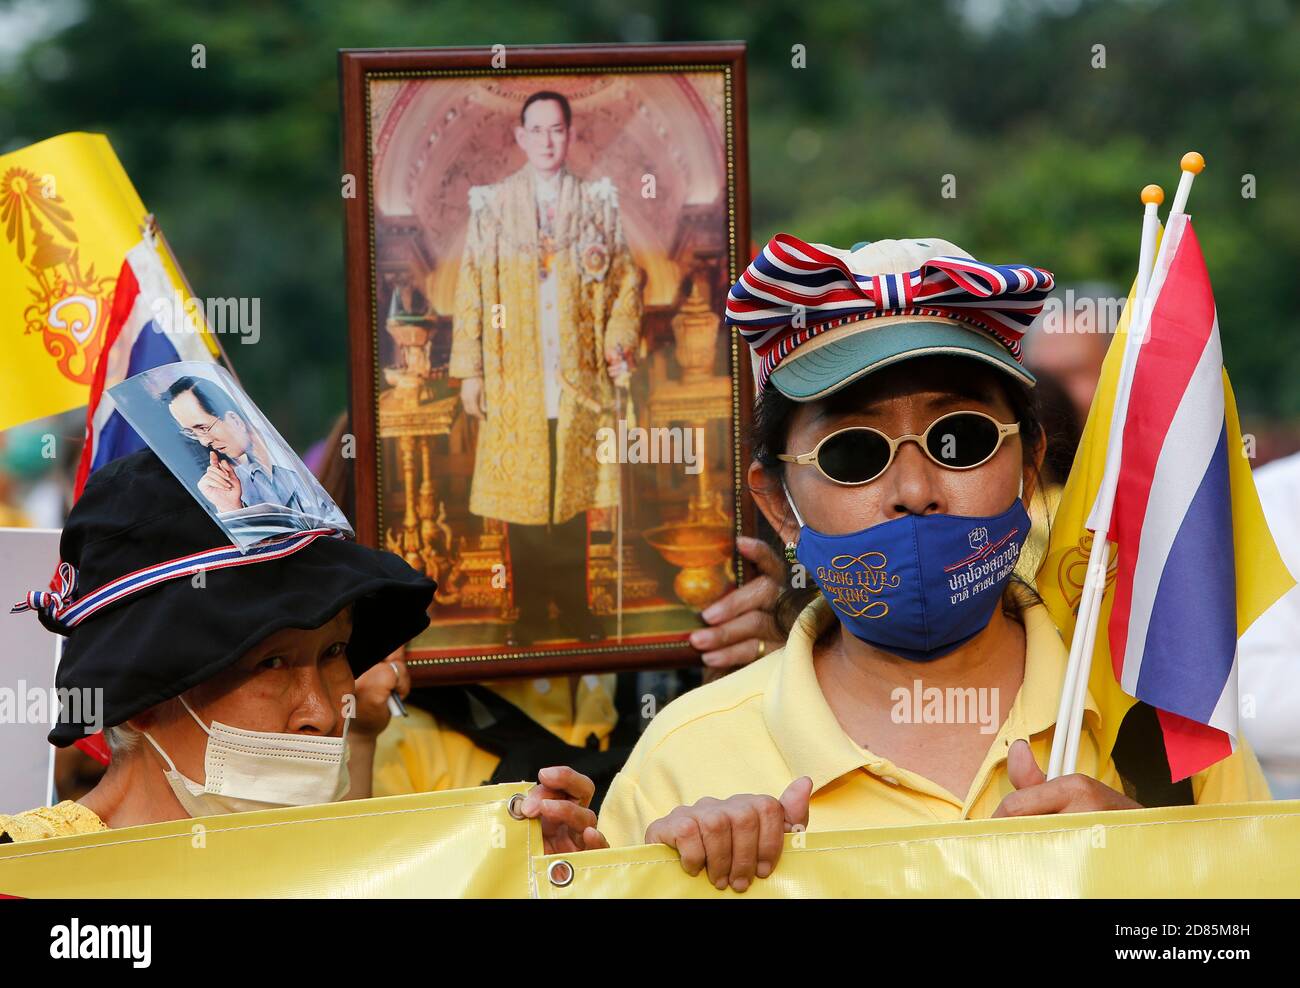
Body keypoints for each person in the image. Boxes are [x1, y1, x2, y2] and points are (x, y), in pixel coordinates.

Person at [594, 235, 1270, 892]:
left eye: (960, 439)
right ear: (776, 503)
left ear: (1029, 465)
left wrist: (1161, 865)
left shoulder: (1164, 716)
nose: (915, 491)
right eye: (853, 453)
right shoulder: (682, 762)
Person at [0, 450, 604, 855]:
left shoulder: (367, 872)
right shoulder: (25, 883)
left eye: (335, 649)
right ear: (137, 697)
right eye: (269, 662)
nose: (322, 709)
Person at [451, 89, 642, 646]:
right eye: (536, 130)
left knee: (571, 500)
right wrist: (472, 372)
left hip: (579, 378)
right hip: (517, 379)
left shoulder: (597, 203)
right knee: (527, 502)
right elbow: (472, 288)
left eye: (556, 130)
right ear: (520, 137)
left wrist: (616, 340)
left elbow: (625, 282)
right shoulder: (492, 205)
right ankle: (532, 611)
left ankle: (576, 608)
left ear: (569, 134)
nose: (547, 141)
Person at [164, 374, 338, 524]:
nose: (203, 442)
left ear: (235, 419)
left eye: (203, 428)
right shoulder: (239, 483)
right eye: (192, 433)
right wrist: (229, 507)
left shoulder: (309, 461)